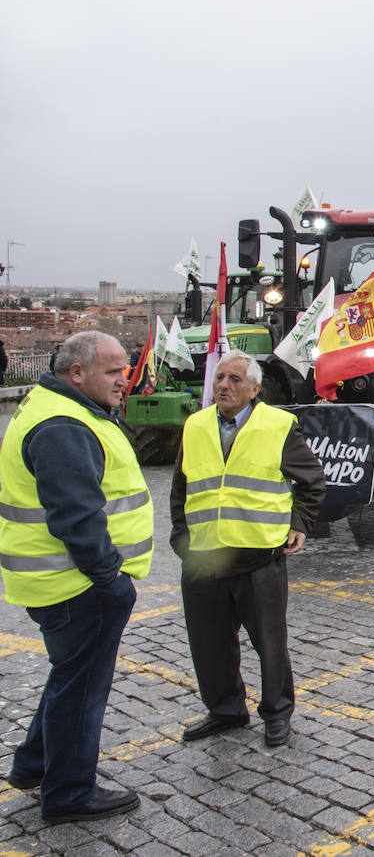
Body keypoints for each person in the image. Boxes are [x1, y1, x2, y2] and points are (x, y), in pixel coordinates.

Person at [1, 331, 154, 822]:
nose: (124, 379)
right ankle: (68, 793)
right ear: (77, 374)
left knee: (69, 676)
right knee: (82, 688)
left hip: (63, 581)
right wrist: (110, 577)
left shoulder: (53, 407)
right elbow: (76, 516)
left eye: (124, 369)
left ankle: (33, 765)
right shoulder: (64, 424)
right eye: (113, 371)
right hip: (77, 583)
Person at [171, 350, 325, 748]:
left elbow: (311, 481)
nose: (224, 385)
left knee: (269, 644)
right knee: (209, 644)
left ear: (255, 389)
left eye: (235, 379)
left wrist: (299, 524)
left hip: (259, 557)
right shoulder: (195, 425)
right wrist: (180, 539)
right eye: (220, 377)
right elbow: (180, 488)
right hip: (204, 558)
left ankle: (277, 712)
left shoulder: (277, 426)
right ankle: (225, 710)